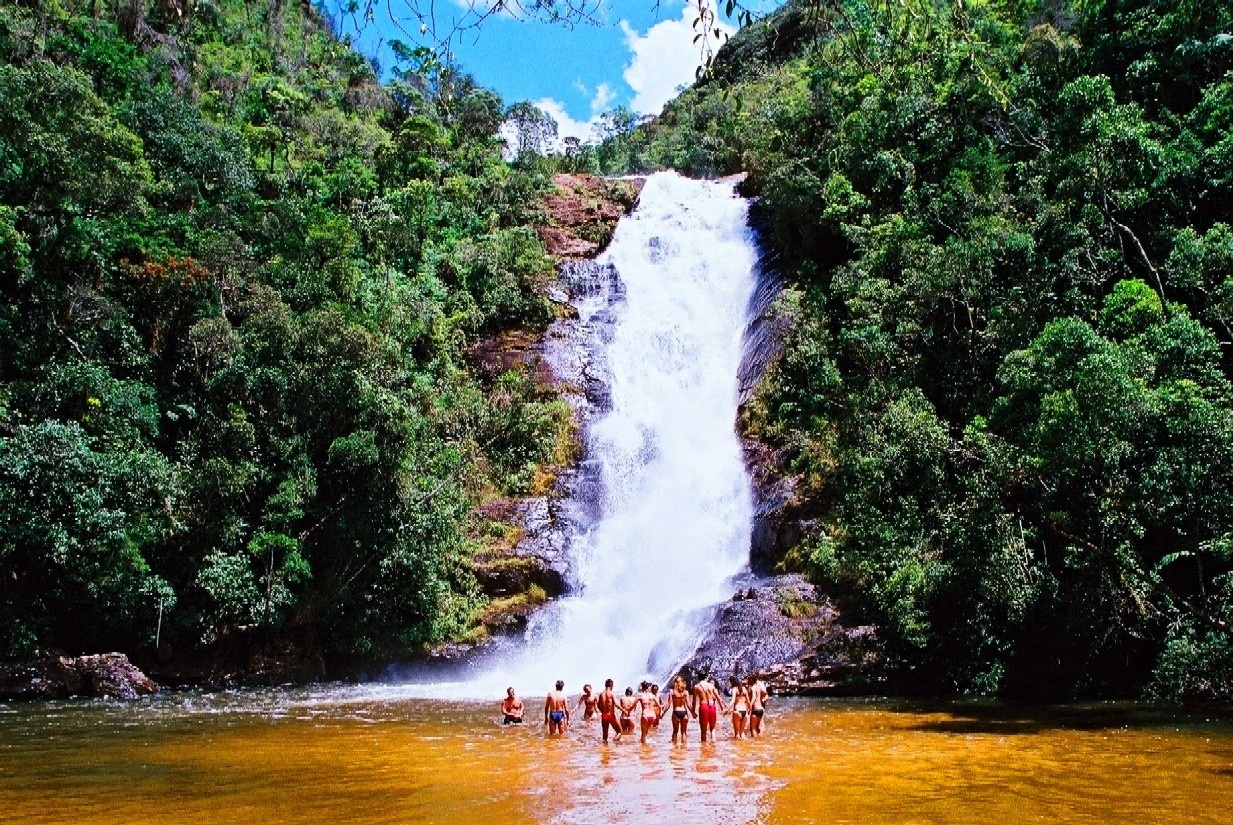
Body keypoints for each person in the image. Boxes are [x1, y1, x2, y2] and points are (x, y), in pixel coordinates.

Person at [691, 674, 724, 743]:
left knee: (703, 730)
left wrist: (693, 712)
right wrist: (722, 708)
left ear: (698, 677)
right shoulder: (711, 685)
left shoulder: (696, 687)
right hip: (712, 706)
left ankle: (704, 749)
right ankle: (713, 745)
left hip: (704, 706)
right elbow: (718, 698)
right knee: (712, 728)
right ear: (706, 677)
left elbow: (694, 701)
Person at [665, 675, 693, 744]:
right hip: (684, 712)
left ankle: (675, 750)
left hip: (676, 712)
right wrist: (693, 713)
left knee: (675, 732)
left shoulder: (672, 692)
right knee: (684, 733)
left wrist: (662, 714)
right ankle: (684, 749)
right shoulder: (685, 692)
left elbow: (668, 705)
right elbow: (689, 705)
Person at [596, 678, 620, 743]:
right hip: (611, 715)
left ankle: (605, 750)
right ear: (611, 685)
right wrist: (624, 710)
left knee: (605, 735)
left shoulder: (601, 694)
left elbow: (598, 705)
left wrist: (602, 711)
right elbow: (616, 704)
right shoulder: (612, 693)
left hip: (604, 715)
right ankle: (614, 742)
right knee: (619, 732)